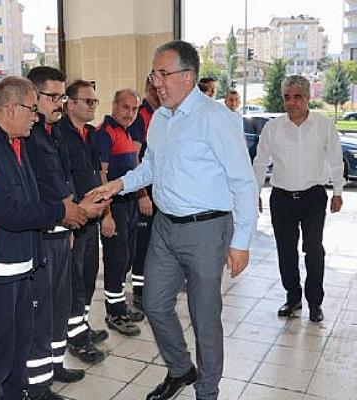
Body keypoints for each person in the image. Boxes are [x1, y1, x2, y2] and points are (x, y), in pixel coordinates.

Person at [89, 40, 258, 400]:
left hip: (207, 229)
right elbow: (151, 166)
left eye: (163, 74)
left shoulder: (215, 119)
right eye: (154, 75)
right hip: (165, 228)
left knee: (204, 316)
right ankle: (181, 368)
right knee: (153, 303)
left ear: (188, 76)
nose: (156, 83)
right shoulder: (160, 119)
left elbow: (243, 182)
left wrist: (241, 242)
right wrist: (117, 185)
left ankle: (207, 391)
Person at [0, 77, 99, 400]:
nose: (36, 117)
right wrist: (59, 212)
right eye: (32, 109)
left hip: (23, 266)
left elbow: (30, 197)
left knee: (20, 350)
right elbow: (8, 211)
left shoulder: (12, 142)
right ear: (10, 108)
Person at [22, 66, 105, 397]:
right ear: (33, 96)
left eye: (61, 96)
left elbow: (64, 178)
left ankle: (54, 365)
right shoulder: (28, 136)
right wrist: (67, 215)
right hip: (44, 233)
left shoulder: (53, 132)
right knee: (41, 312)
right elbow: (36, 189)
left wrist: (69, 223)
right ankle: (37, 385)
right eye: (54, 97)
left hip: (62, 229)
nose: (60, 103)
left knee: (59, 305)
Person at [252, 75, 344, 323]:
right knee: (286, 251)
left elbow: (336, 158)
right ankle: (293, 298)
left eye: (297, 97)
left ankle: (315, 302)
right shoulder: (273, 128)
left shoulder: (323, 125)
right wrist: (255, 193)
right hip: (281, 198)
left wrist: (338, 191)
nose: (291, 102)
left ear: (308, 98)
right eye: (287, 97)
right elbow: (260, 162)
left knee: (314, 249)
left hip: (313, 197)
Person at [56, 79, 109, 363]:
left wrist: (106, 213)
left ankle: (82, 325)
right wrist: (69, 221)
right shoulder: (59, 135)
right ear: (70, 104)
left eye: (94, 101)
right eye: (88, 101)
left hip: (91, 221)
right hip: (74, 221)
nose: (92, 106)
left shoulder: (89, 134)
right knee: (74, 282)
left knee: (88, 277)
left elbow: (97, 174)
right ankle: (75, 338)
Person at [93, 88, 144, 336]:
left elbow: (134, 169)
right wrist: (107, 214)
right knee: (116, 259)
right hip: (116, 207)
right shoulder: (105, 133)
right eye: (125, 107)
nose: (130, 113)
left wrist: (142, 196)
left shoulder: (125, 131)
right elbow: (100, 175)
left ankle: (120, 304)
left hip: (130, 203)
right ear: (114, 105)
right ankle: (114, 313)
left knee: (127, 257)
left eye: (134, 109)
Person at [127, 76, 161, 313]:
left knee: (153, 243)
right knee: (142, 243)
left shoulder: (160, 114)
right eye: (156, 88)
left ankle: (148, 288)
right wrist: (142, 195)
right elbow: (135, 158)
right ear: (149, 88)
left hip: (157, 190)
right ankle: (139, 292)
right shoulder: (142, 116)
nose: (160, 93)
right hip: (144, 190)